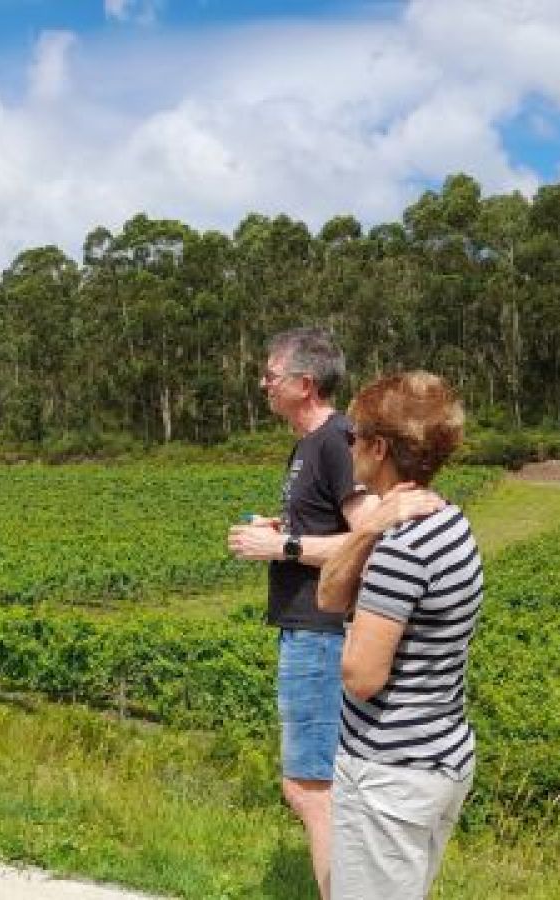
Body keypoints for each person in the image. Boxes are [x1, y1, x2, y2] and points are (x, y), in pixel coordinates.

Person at [227, 327, 440, 899]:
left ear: (303, 384)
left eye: (270, 376)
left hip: (322, 634)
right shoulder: (312, 445)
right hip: (307, 629)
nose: (262, 384)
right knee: (314, 787)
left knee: (313, 789)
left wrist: (285, 548)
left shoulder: (334, 440)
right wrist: (287, 531)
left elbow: (370, 537)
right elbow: (341, 527)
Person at [317, 371, 482, 900]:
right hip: (439, 756)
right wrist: (369, 527)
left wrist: (371, 532)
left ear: (379, 447)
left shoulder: (401, 549)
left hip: (389, 773)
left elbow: (362, 677)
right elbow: (329, 598)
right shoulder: (449, 522)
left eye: (354, 435)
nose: (349, 446)